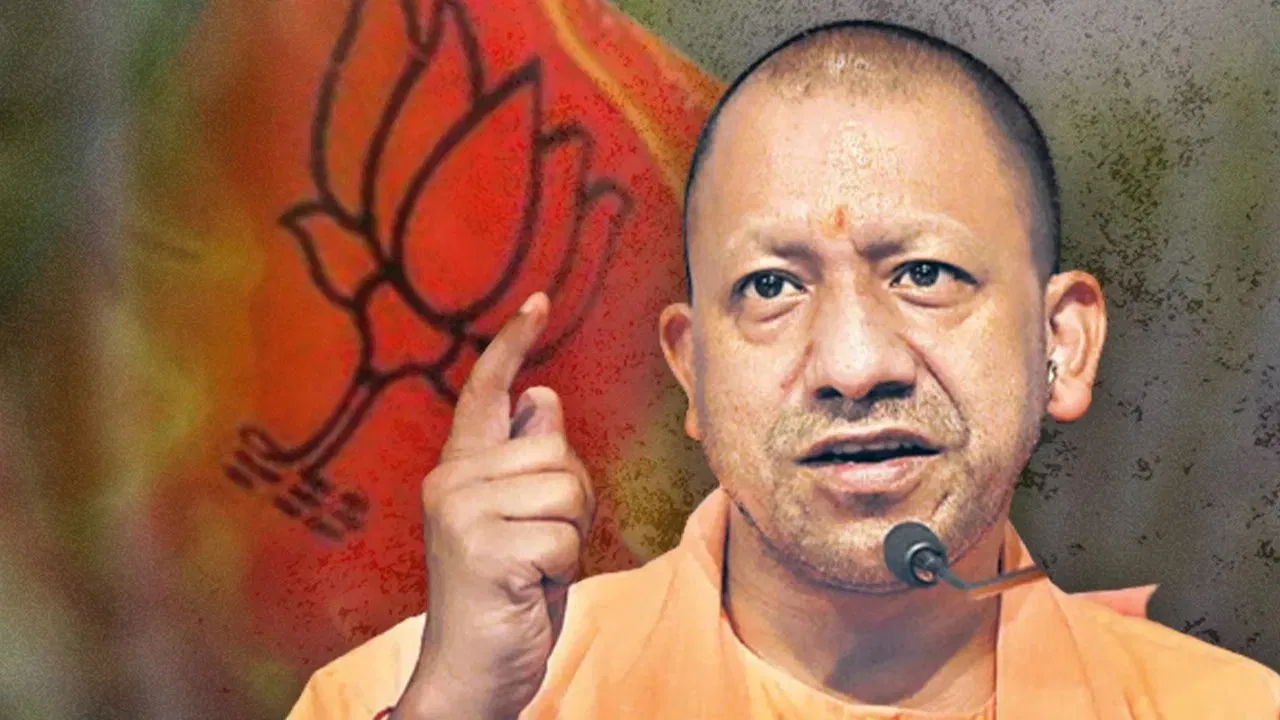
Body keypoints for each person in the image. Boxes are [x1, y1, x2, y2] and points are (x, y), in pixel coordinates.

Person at [288, 20, 1280, 719]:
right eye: (770, 287)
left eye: (924, 274)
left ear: (1061, 343)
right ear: (691, 372)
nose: (852, 365)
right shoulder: (414, 695)